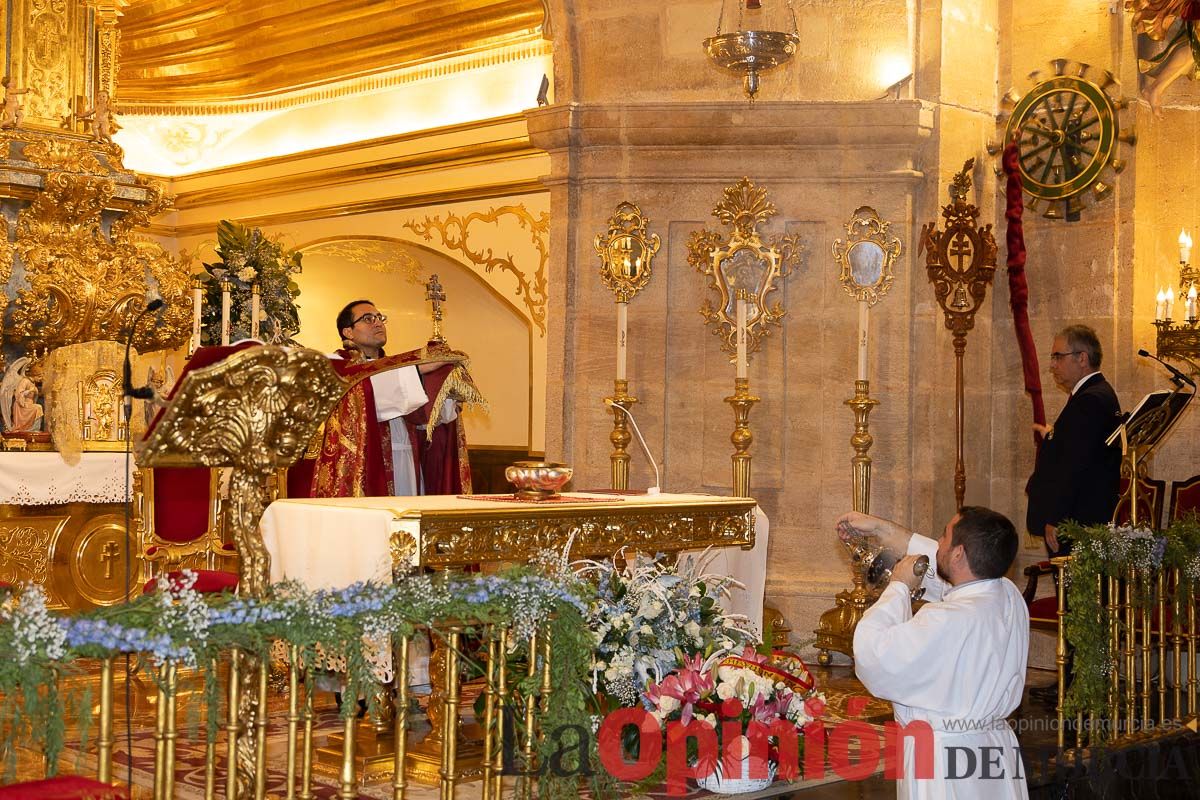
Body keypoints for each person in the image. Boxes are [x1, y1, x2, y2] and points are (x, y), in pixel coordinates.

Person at [841, 507, 1029, 800]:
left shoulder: (944, 620)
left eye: (943, 536)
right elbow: (957, 577)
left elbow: (873, 652)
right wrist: (882, 530)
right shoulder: (1008, 596)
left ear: (958, 554)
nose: (937, 542)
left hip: (944, 760)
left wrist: (899, 587)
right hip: (994, 751)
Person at [327, 299, 451, 495]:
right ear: (348, 332)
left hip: (407, 458)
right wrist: (418, 368)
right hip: (369, 461)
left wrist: (446, 390)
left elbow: (421, 416)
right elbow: (368, 391)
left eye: (380, 318)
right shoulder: (337, 365)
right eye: (368, 319)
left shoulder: (395, 367)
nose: (378, 323)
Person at [1026, 325, 1122, 558]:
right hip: (1082, 519)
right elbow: (1079, 448)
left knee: (1071, 593)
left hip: (1075, 523)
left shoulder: (1090, 400)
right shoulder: (1097, 393)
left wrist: (1056, 518)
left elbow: (1073, 467)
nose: (1052, 365)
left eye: (1058, 356)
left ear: (1082, 358)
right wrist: (1053, 435)